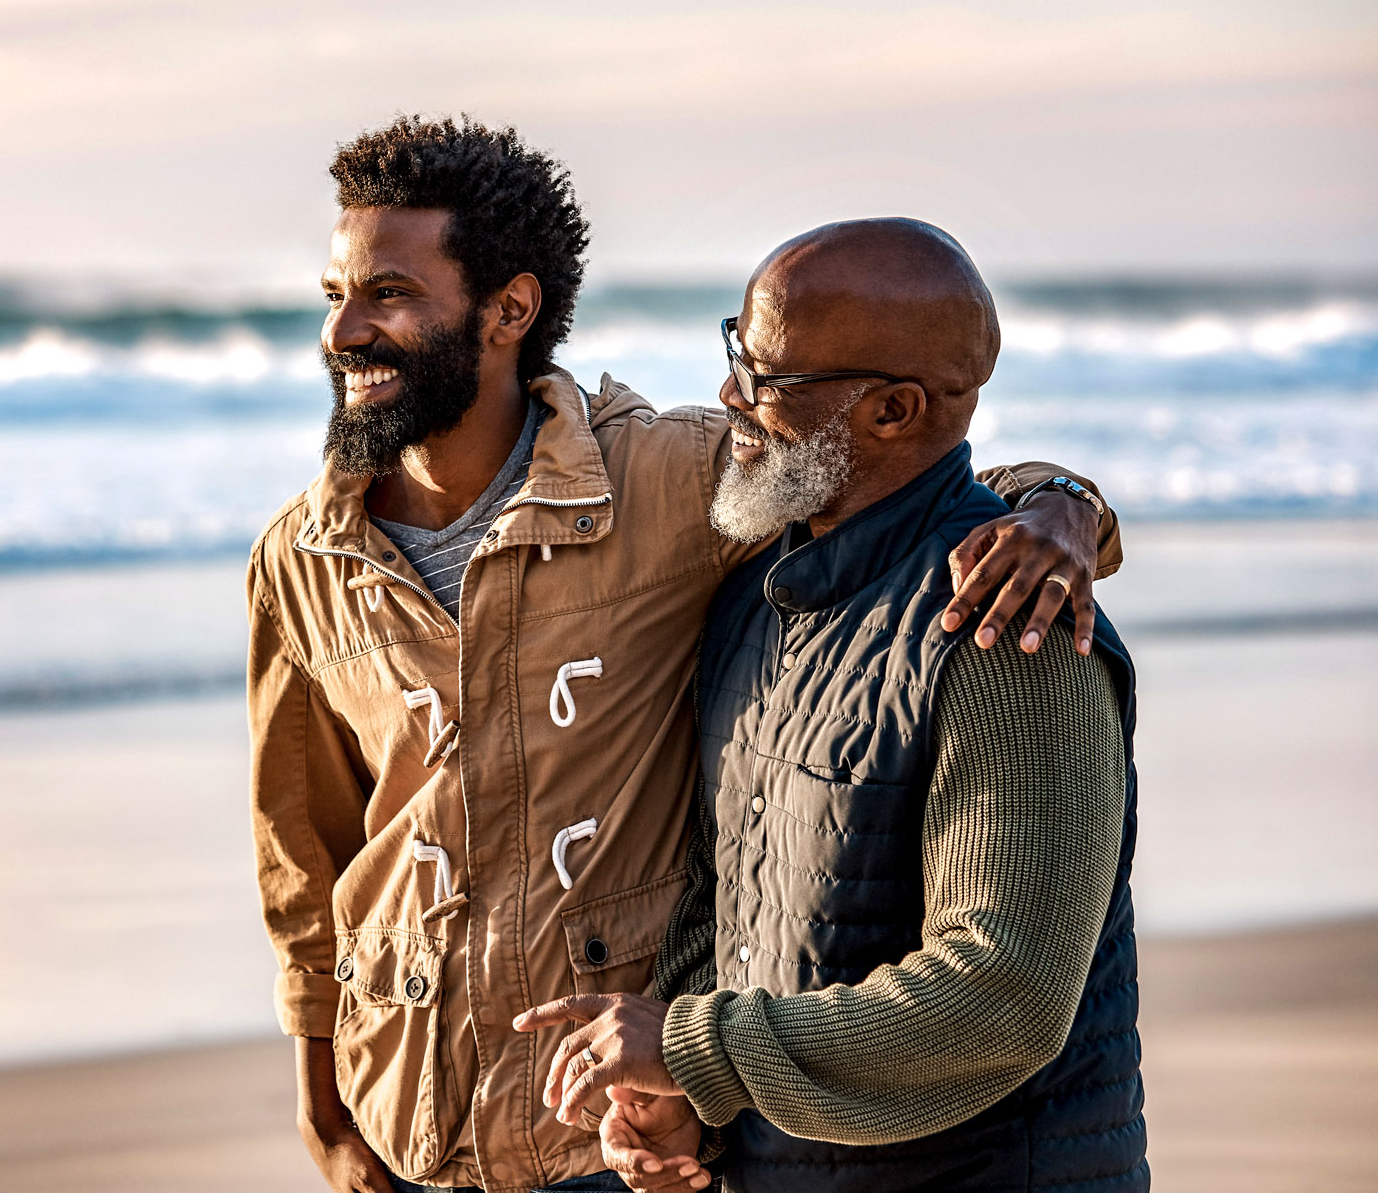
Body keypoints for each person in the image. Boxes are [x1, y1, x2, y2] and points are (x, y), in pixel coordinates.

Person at [247, 121, 1122, 1193]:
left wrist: (1062, 508)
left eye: (387, 292)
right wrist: (323, 1107)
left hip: (606, 1132)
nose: (344, 328)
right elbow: (305, 853)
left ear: (508, 310)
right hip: (415, 1127)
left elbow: (908, 482)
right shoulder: (299, 557)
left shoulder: (672, 488)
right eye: (333, 292)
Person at [515, 218, 1145, 1192]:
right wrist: (685, 1106)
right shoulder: (751, 597)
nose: (730, 393)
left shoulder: (1009, 631)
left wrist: (690, 1047)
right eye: (736, 348)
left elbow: (1001, 994)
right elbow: (718, 899)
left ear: (890, 410)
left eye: (766, 378)